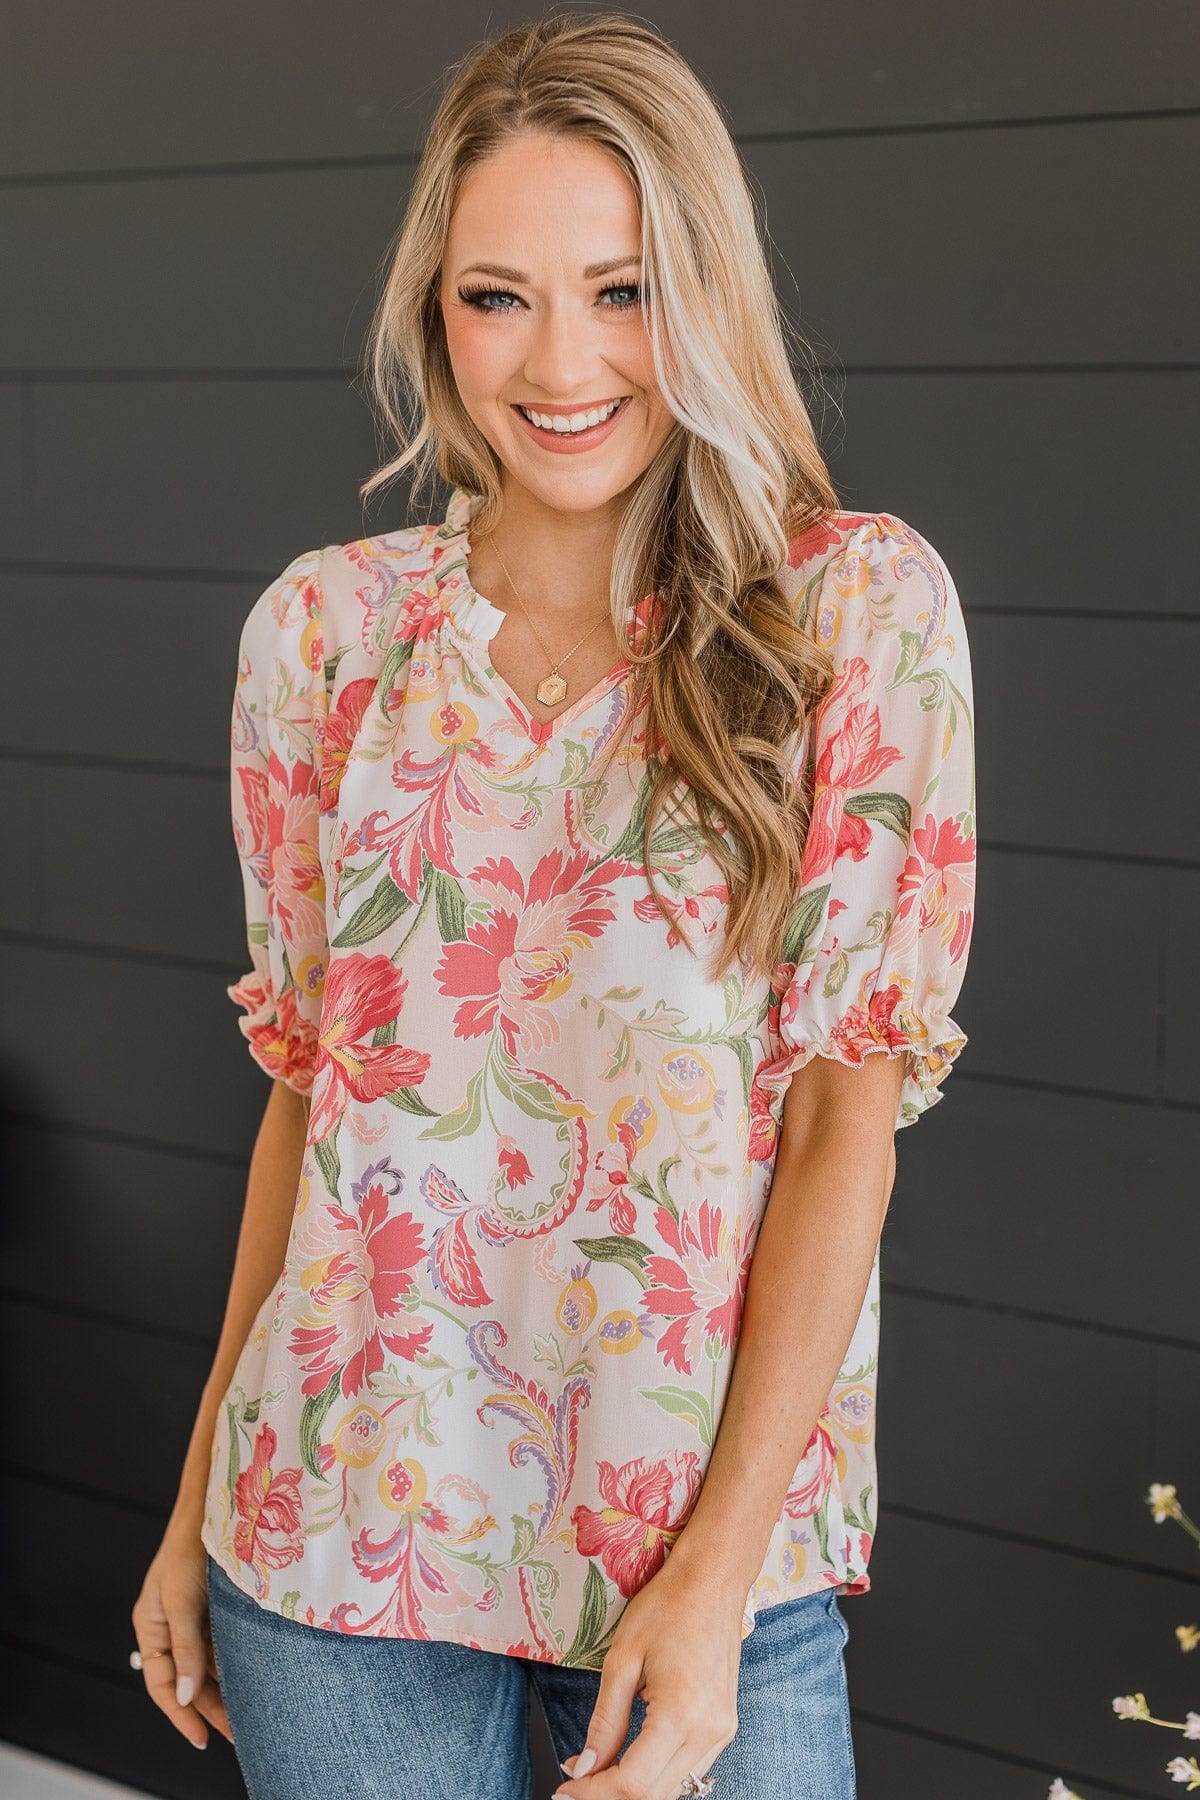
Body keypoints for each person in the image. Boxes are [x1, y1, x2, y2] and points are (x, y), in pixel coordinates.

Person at [130, 13, 976, 1799]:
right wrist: (201, 1494)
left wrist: (718, 1574)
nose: (562, 360)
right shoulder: (325, 636)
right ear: (434, 314)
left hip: (704, 1560)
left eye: (623, 291)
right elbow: (313, 1107)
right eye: (497, 297)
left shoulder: (852, 622)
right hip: (340, 1542)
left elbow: (843, 1124)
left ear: (706, 294)